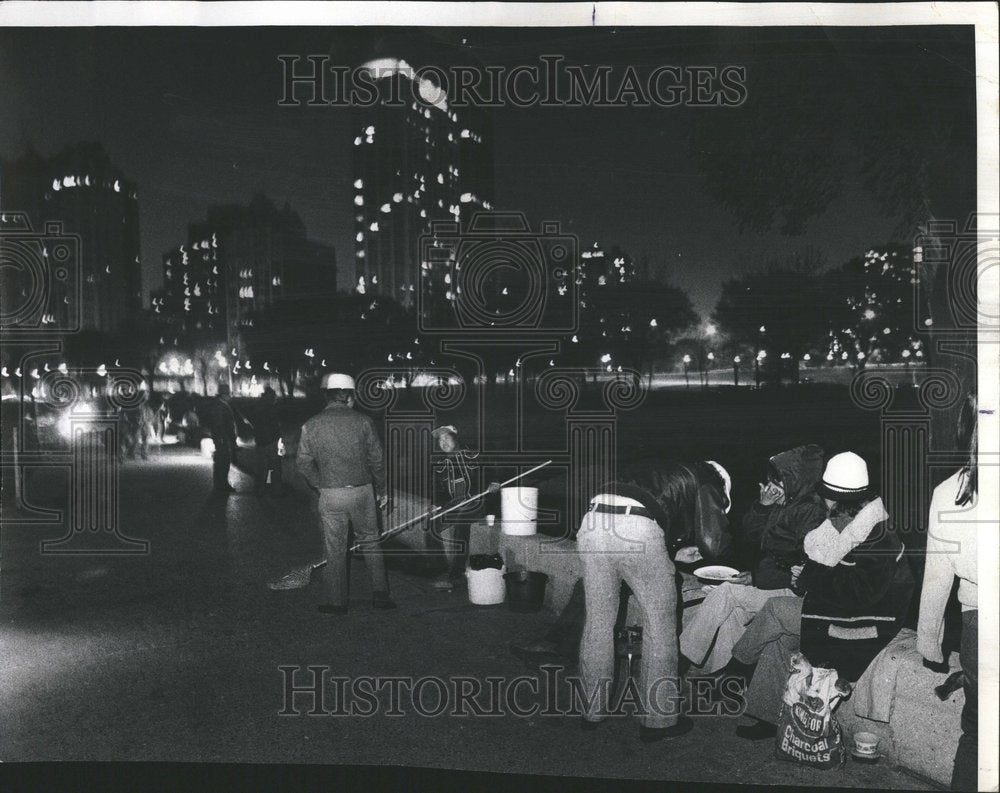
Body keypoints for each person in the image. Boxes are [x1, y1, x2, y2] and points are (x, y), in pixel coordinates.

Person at [732, 451, 914, 739]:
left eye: (828, 497)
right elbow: (834, 565)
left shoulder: (880, 536)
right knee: (779, 639)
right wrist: (806, 571)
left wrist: (808, 577)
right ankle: (765, 716)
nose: (823, 502)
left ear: (843, 501)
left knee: (776, 609)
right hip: (844, 608)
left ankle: (736, 667)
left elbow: (862, 592)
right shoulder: (852, 523)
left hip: (868, 620)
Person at [576, 459, 734, 742]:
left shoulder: (666, 470)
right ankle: (658, 721)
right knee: (660, 627)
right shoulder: (710, 480)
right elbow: (713, 542)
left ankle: (591, 711)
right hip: (637, 527)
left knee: (598, 623)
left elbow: (644, 513)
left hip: (593, 520)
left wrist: (671, 553)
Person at [680, 445, 826, 674]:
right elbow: (750, 536)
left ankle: (681, 656)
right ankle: (727, 686)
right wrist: (762, 506)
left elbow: (803, 565)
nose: (771, 488)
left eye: (777, 483)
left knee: (727, 592)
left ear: (794, 482)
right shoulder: (785, 504)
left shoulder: (811, 511)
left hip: (792, 590)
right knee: (732, 617)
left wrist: (756, 577)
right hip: (771, 581)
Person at [917, 394, 979, 791]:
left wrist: (929, 643)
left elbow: (937, 578)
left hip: (979, 628)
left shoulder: (948, 493)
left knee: (977, 735)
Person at [296, 372, 395, 614]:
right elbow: (377, 460)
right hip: (362, 492)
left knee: (335, 548)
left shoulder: (311, 424)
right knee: (371, 542)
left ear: (327, 396)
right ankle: (380, 595)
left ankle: (336, 602)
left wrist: (320, 484)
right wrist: (382, 489)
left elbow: (303, 463)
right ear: (350, 396)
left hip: (331, 493)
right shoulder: (363, 421)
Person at [429, 425, 500, 591]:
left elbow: (493, 465)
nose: (443, 442)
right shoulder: (440, 464)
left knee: (462, 523)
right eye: (440, 440)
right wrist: (435, 503)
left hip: (476, 502)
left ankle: (456, 574)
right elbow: (438, 489)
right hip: (454, 504)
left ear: (455, 438)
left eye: (446, 438)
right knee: (431, 525)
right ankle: (440, 571)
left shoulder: (473, 454)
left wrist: (495, 481)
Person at [207, 383, 240, 493]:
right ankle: (222, 485)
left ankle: (220, 484)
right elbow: (224, 425)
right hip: (222, 439)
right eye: (229, 394)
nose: (230, 397)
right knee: (223, 462)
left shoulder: (218, 405)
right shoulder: (222, 407)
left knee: (221, 462)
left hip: (220, 438)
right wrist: (228, 439)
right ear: (224, 395)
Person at [253, 386, 284, 495]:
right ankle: (276, 490)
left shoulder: (257, 407)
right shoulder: (270, 408)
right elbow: (274, 425)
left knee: (262, 467)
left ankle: (260, 488)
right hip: (271, 441)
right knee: (275, 466)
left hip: (261, 440)